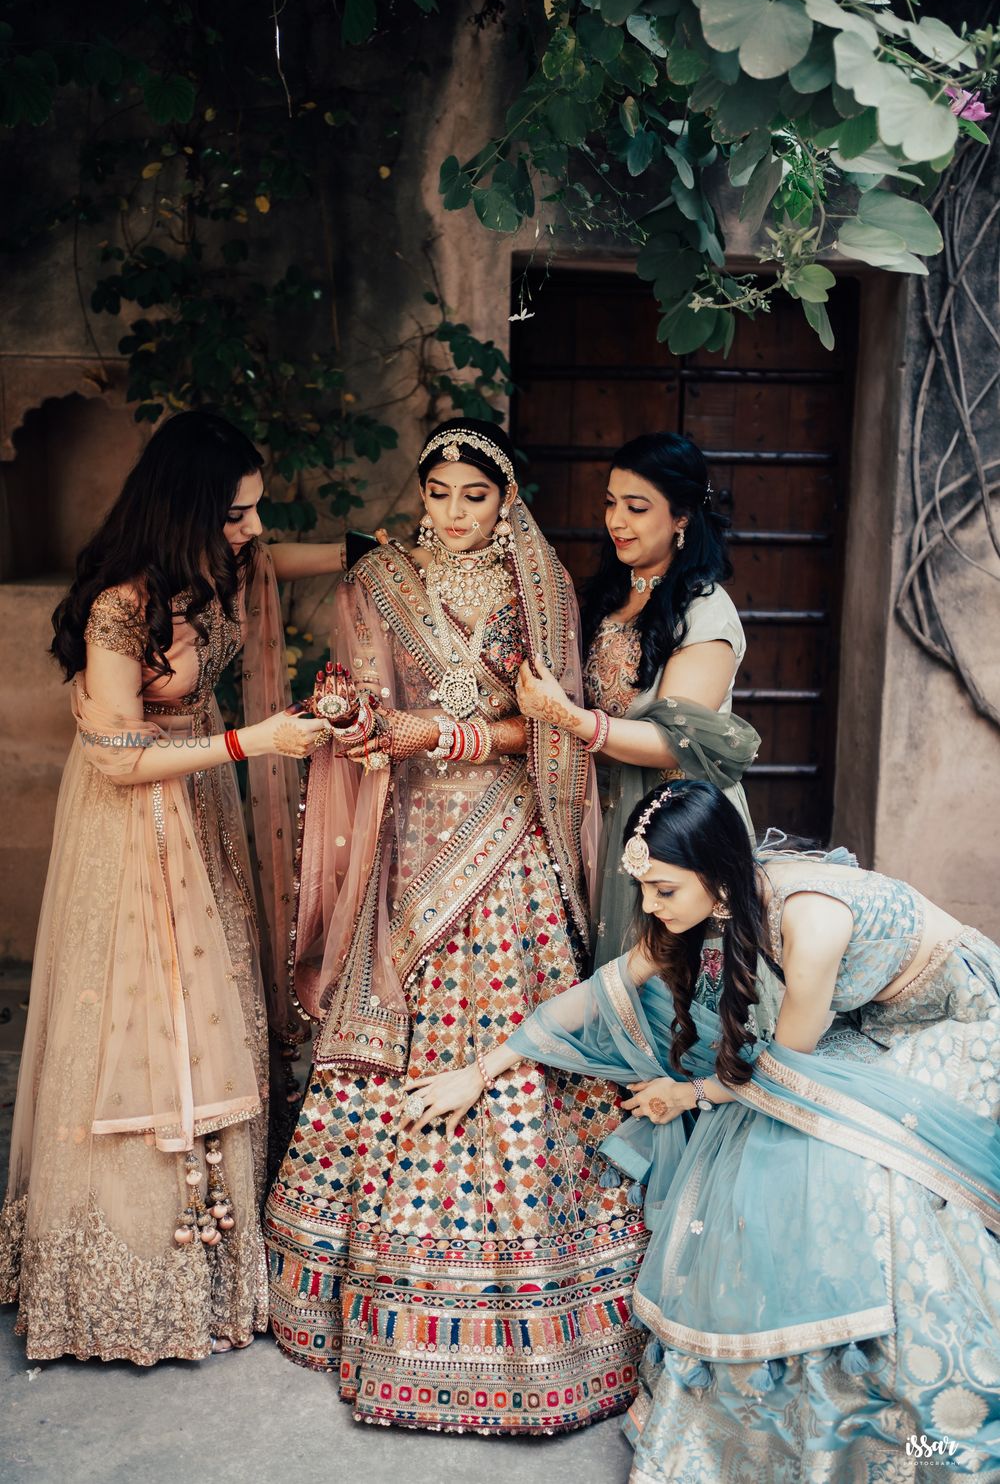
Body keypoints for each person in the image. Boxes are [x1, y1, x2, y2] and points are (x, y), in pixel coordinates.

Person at [406, 780, 1000, 1477]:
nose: (651, 907)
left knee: (849, 1169)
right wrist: (483, 1069)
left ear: (714, 875)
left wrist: (688, 1094)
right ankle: (777, 1392)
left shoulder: (811, 921)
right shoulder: (733, 896)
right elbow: (612, 987)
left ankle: (895, 1402)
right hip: (862, 1024)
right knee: (754, 1145)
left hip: (957, 1020)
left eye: (663, 890)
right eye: (645, 890)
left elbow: (788, 1074)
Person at [264, 418, 649, 1433]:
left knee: (505, 1033)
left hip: (503, 831)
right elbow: (362, 689)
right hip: (408, 837)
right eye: (437, 492)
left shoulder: (542, 584)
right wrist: (348, 713)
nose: (452, 512)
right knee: (394, 1027)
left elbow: (550, 727)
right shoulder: (380, 580)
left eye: (473, 496)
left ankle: (523, 1297)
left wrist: (446, 729)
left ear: (505, 497)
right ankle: (358, 1295)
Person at [0, 410, 340, 1364]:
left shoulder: (213, 575)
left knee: (222, 1005)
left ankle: (220, 1262)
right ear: (193, 506)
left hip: (202, 818)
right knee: (151, 1025)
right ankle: (131, 1264)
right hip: (134, 826)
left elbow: (288, 563)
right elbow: (113, 756)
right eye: (238, 513)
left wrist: (378, 548)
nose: (252, 531)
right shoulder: (122, 605)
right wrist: (252, 742)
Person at [515, 432, 759, 969]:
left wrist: (567, 718)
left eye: (637, 507)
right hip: (604, 809)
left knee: (668, 986)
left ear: (682, 518)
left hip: (677, 824)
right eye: (610, 502)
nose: (616, 520)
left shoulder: (706, 613)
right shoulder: (613, 592)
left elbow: (676, 745)